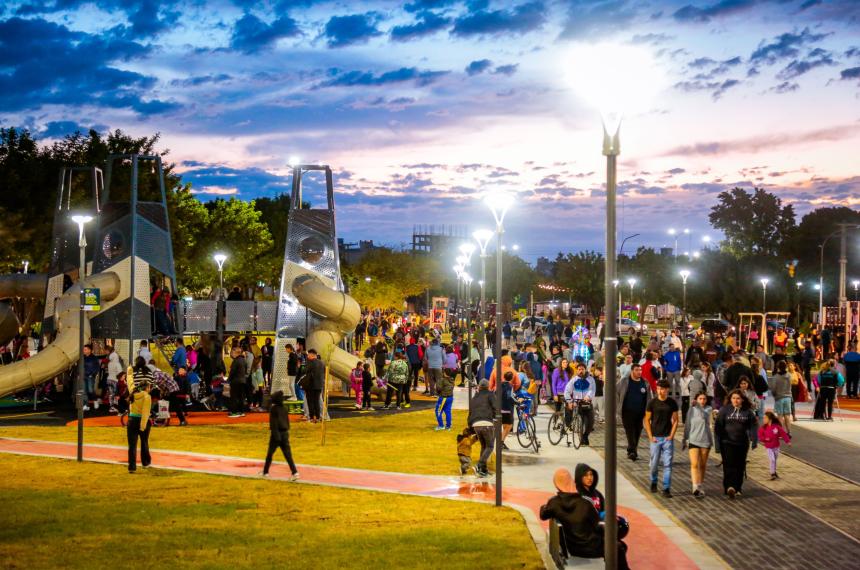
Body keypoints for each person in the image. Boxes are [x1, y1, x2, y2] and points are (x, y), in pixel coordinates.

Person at [539, 468, 630, 569]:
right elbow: (597, 525)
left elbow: (543, 515)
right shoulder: (585, 503)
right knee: (619, 546)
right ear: (572, 482)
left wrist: (545, 505)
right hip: (589, 547)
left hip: (572, 547)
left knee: (615, 545)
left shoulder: (554, 503)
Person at [714, 389, 758, 499]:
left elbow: (753, 425)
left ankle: (738, 487)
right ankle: (729, 487)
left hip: (742, 443)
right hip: (727, 442)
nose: (735, 400)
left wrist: (754, 439)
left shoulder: (747, 412)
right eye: (733, 398)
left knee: (740, 466)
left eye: (738, 398)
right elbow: (718, 428)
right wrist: (717, 445)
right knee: (728, 465)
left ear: (742, 400)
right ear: (730, 399)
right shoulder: (724, 410)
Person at [644, 379, 679, 497]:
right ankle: (653, 481)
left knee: (668, 464)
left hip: (667, 438)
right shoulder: (652, 403)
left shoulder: (672, 403)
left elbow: (675, 420)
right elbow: (646, 420)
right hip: (655, 438)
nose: (660, 391)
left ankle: (666, 488)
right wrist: (650, 436)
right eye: (658, 388)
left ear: (667, 390)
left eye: (662, 389)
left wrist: (671, 435)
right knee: (654, 464)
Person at [261, 391, 299, 480]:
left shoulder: (274, 409)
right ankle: (295, 472)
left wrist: (276, 437)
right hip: (285, 434)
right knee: (288, 455)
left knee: (270, 454)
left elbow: (274, 424)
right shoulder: (285, 408)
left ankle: (265, 472)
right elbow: (287, 422)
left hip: (276, 435)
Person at [616, 363, 651, 461]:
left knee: (637, 432)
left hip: (640, 413)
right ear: (632, 371)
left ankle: (632, 449)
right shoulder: (624, 381)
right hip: (627, 412)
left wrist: (648, 412)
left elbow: (649, 398)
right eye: (637, 370)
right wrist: (618, 405)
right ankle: (632, 451)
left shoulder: (645, 383)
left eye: (640, 370)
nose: (639, 372)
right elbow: (615, 391)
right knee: (630, 431)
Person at [682, 392, 713, 497]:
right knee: (694, 464)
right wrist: (684, 439)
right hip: (693, 440)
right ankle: (695, 486)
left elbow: (704, 416)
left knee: (702, 465)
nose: (702, 401)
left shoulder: (708, 409)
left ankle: (700, 485)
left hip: (705, 440)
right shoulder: (691, 410)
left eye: (704, 399)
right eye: (700, 399)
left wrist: (698, 406)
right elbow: (687, 425)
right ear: (696, 399)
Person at [467, 379, 497, 477]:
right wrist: (495, 417)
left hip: (475, 424)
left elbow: (470, 412)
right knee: (490, 446)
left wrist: (470, 427)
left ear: (479, 386)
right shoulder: (490, 395)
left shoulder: (475, 397)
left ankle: (483, 470)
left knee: (484, 446)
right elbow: (495, 407)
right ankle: (479, 465)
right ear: (488, 386)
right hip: (486, 423)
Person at [564, 363, 596, 446]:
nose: (581, 371)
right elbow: (567, 391)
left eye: (582, 369)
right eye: (579, 369)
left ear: (585, 370)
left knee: (590, 423)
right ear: (577, 370)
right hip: (577, 404)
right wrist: (570, 401)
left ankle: (585, 436)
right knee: (580, 423)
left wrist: (588, 396)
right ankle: (581, 439)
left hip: (587, 403)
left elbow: (592, 390)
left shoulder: (591, 379)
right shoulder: (573, 380)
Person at [127, 376, 152, 473]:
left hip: (131, 420)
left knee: (132, 445)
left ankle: (132, 467)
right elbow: (145, 413)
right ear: (146, 388)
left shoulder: (133, 392)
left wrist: (129, 371)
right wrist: (143, 426)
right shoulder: (147, 396)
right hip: (142, 421)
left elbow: (130, 381)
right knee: (144, 442)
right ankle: (145, 462)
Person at [758, 411, 791, 480]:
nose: (764, 419)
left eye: (765, 418)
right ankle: (772, 473)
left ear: (770, 419)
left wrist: (788, 442)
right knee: (772, 460)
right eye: (763, 418)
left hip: (776, 447)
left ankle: (774, 472)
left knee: (774, 460)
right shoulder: (763, 428)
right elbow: (760, 437)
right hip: (769, 447)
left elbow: (783, 434)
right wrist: (765, 439)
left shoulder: (777, 427)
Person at [770, 360, 793, 434]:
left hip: (779, 397)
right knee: (787, 415)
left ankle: (781, 432)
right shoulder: (789, 375)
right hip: (788, 397)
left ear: (778, 367)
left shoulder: (776, 377)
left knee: (780, 416)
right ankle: (789, 431)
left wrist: (774, 395)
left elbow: (773, 389)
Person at [305, 348, 326, 422]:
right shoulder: (322, 363)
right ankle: (317, 417)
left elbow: (305, 372)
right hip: (319, 385)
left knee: (310, 401)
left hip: (310, 385)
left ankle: (311, 417)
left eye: (308, 354)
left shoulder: (309, 362)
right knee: (317, 401)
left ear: (311, 354)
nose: (307, 356)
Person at [435, 358, 455, 430]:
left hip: (443, 397)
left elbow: (438, 389)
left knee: (438, 411)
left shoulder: (442, 380)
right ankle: (448, 426)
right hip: (450, 397)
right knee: (448, 411)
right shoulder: (452, 380)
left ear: (445, 373)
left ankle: (441, 425)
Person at [227, 346, 247, 418]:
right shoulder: (243, 360)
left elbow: (232, 372)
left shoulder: (235, 361)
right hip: (243, 381)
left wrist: (228, 380)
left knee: (234, 397)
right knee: (241, 397)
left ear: (236, 352)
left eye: (232, 352)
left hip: (235, 381)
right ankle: (241, 411)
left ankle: (234, 412)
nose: (231, 353)